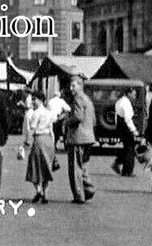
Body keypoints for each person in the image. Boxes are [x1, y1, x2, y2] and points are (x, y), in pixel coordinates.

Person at [63, 74, 97, 204]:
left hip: (77, 138)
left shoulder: (78, 99)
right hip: (88, 137)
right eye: (70, 85)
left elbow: (77, 117)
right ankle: (88, 189)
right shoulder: (87, 99)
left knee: (75, 168)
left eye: (73, 85)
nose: (71, 88)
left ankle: (80, 194)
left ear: (80, 86)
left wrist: (66, 121)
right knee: (83, 166)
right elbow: (93, 120)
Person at [21, 90, 56, 204]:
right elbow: (51, 130)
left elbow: (32, 130)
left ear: (40, 100)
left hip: (39, 139)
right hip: (48, 140)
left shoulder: (35, 113)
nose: (33, 102)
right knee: (47, 167)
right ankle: (45, 192)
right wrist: (53, 145)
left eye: (34, 100)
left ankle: (39, 191)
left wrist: (26, 144)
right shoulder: (49, 113)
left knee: (35, 166)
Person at [112, 86, 139, 176]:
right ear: (129, 93)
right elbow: (128, 118)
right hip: (125, 127)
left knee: (127, 148)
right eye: (134, 94)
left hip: (120, 126)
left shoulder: (120, 101)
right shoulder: (126, 103)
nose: (135, 96)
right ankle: (127, 171)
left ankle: (118, 163)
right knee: (130, 149)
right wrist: (133, 129)